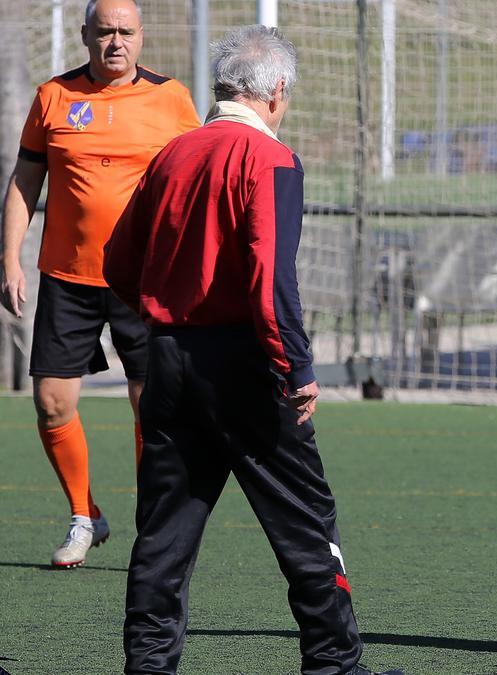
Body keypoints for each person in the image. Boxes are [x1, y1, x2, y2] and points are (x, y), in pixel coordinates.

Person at [104, 25, 401, 675]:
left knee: (164, 528)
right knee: (303, 515)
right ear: (278, 91)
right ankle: (334, 662)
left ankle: (147, 665)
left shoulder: (172, 155)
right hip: (243, 361)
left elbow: (117, 262)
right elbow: (272, 280)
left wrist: (163, 314)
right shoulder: (270, 160)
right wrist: (296, 365)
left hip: (168, 358)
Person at [0, 0, 200, 568]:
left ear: (142, 36)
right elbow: (25, 181)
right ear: (85, 35)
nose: (116, 42)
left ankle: (153, 525)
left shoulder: (173, 99)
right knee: (51, 403)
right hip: (67, 276)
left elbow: (195, 180)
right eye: (105, 31)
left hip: (143, 279)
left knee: (151, 408)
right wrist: (9, 257)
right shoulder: (53, 97)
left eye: (126, 32)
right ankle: (84, 515)